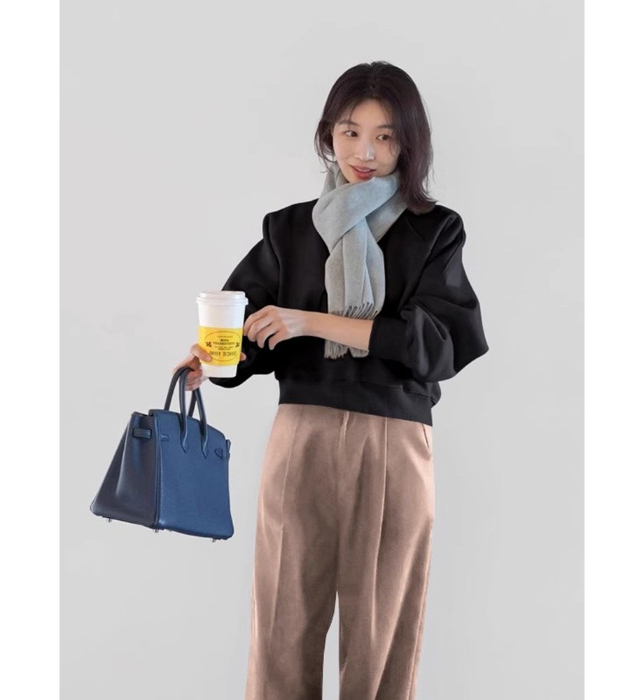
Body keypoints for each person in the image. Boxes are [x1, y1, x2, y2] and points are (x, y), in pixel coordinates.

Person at [174, 61, 489, 700]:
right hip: (302, 436)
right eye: (350, 133)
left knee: (380, 639)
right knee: (281, 629)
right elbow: (246, 326)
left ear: (409, 143)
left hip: (393, 440)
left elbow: (435, 344)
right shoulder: (289, 229)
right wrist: (212, 358)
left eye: (385, 137)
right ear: (328, 135)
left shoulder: (435, 229)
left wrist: (308, 321)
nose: (364, 153)